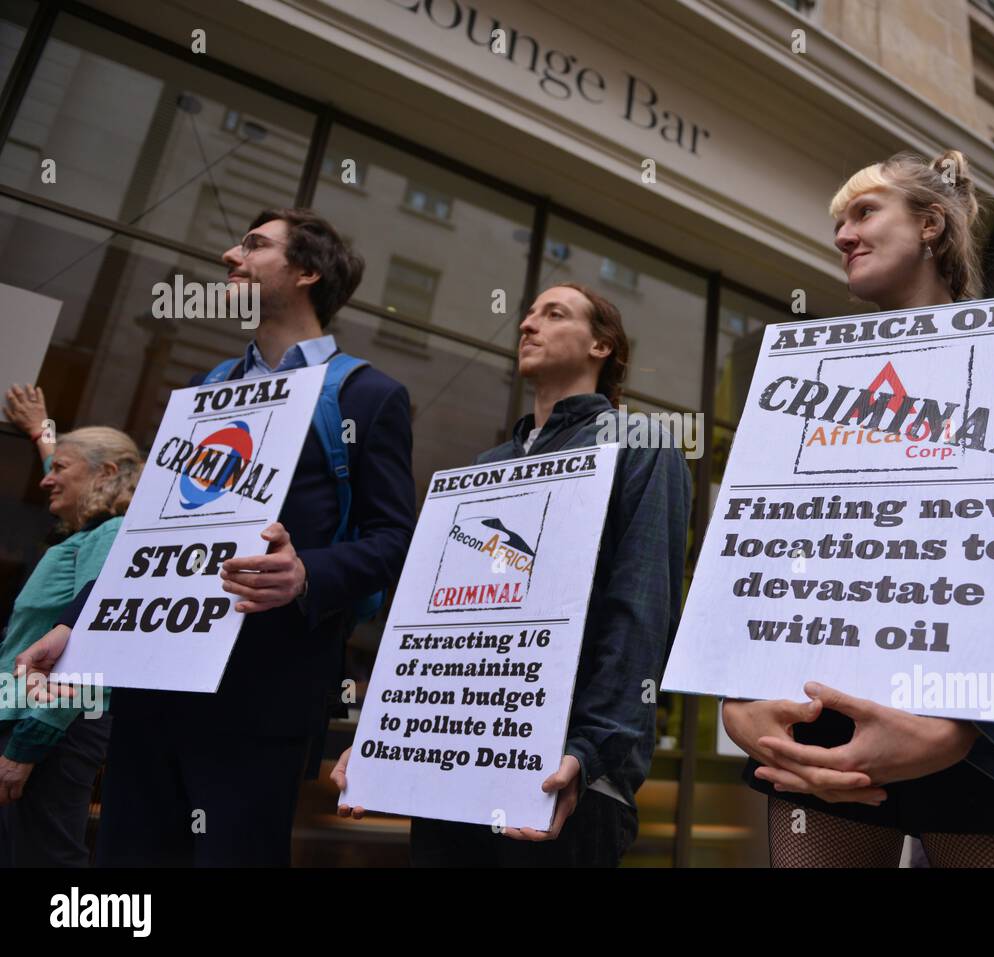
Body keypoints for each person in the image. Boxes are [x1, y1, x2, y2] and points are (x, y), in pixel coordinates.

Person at [721, 151, 994, 868]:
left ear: (931, 224)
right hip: (825, 720)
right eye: (838, 221)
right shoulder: (804, 379)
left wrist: (967, 724)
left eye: (864, 212)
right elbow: (761, 548)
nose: (843, 234)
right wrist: (740, 693)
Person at [18, 209, 417, 866]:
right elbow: (146, 533)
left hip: (262, 695)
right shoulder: (204, 391)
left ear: (308, 271)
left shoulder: (367, 396)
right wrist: (74, 625)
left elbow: (393, 538)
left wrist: (307, 573)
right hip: (155, 688)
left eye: (254, 245)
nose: (230, 256)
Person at [332, 283, 692, 867]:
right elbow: (440, 624)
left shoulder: (641, 442)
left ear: (603, 344)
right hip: (456, 773)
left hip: (565, 778)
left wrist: (592, 748)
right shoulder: (486, 468)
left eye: (554, 314)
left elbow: (641, 608)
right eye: (527, 315)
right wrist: (384, 735)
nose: (527, 325)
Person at [0, 425, 141, 866]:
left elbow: (95, 640)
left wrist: (28, 743)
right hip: (27, 718)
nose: (45, 478)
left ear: (107, 473)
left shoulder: (112, 533)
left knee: (45, 858)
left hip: (50, 727)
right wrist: (41, 427)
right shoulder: (86, 535)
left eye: (59, 467)